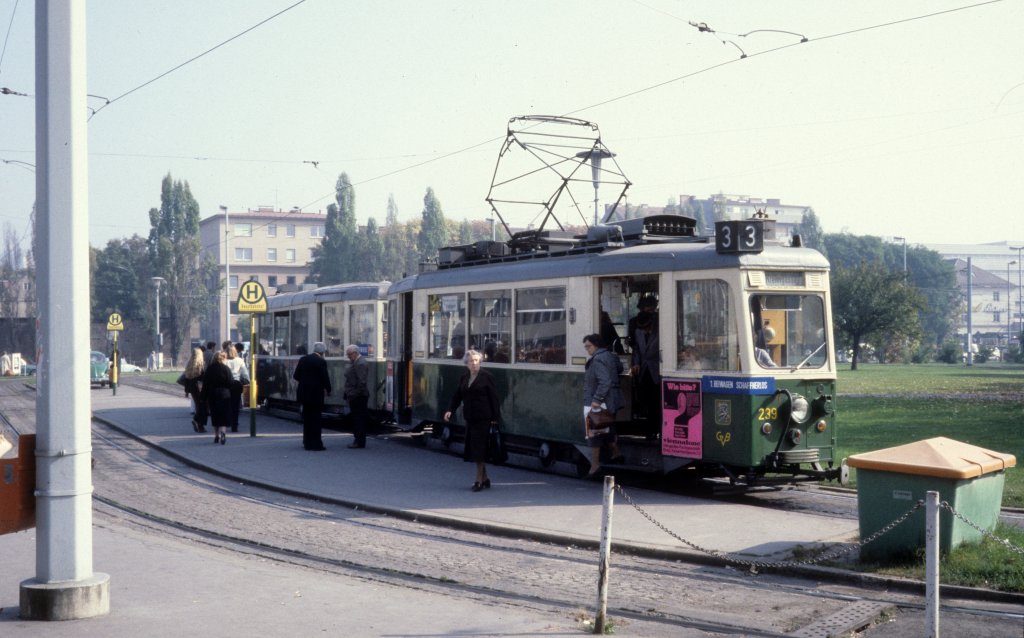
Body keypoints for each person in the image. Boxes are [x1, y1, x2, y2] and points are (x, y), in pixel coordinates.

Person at [444, 349, 501, 492]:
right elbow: (457, 396)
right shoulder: (464, 378)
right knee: (476, 449)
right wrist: (450, 410)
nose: (475, 363)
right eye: (471, 361)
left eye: (477, 361)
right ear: (466, 364)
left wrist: (495, 419)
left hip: (484, 418)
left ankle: (478, 481)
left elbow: (494, 399)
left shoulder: (487, 377)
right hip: (470, 417)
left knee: (479, 449)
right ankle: (485, 478)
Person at [582, 333, 623, 479]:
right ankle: (616, 453)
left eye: (589, 346)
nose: (587, 350)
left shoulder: (597, 360)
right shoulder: (611, 356)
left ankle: (594, 466)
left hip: (599, 402)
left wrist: (597, 399)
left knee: (593, 433)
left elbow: (604, 381)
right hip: (612, 401)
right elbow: (620, 369)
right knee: (608, 428)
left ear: (596, 345)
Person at [293, 341, 332, 451]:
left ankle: (307, 442)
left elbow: (296, 376)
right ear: (323, 352)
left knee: (307, 419)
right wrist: (328, 390)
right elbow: (325, 378)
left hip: (304, 394)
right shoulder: (321, 361)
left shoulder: (303, 359)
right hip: (316, 395)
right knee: (316, 420)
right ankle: (316, 444)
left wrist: (305, 382)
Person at [630, 310, 661, 429]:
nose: (645, 330)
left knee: (655, 401)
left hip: (656, 370)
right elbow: (637, 349)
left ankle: (655, 428)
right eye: (643, 328)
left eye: (647, 327)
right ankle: (649, 428)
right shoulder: (638, 332)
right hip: (643, 371)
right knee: (646, 400)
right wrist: (636, 363)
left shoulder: (659, 332)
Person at [200, 351, 234, 445]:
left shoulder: (210, 369)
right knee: (224, 414)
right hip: (224, 394)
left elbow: (205, 384)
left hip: (213, 394)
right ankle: (223, 433)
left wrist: (203, 397)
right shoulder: (226, 369)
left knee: (215, 415)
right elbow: (231, 382)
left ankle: (216, 436)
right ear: (224, 358)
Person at [343, 344, 369, 449]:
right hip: (356, 394)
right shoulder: (356, 362)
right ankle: (358, 440)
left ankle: (359, 441)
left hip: (358, 396)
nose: (348, 357)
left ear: (355, 353)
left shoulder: (360, 363)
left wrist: (354, 394)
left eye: (349, 354)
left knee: (358, 419)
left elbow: (361, 381)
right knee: (357, 418)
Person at [222, 342, 250, 432]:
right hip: (236, 385)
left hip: (225, 385)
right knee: (235, 406)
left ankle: (227, 422)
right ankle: (235, 425)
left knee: (226, 405)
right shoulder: (240, 360)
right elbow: (245, 375)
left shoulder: (223, 361)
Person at [182, 347, 207, 433]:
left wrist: (186, 391)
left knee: (197, 405)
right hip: (200, 387)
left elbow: (186, 379)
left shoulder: (189, 364)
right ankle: (198, 422)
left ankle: (200, 426)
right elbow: (204, 377)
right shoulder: (201, 364)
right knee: (202, 406)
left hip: (192, 387)